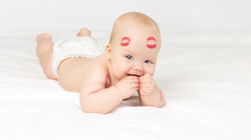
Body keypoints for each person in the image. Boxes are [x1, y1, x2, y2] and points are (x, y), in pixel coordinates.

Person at [36, 12, 164, 114]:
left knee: (88, 44)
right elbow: (88, 104)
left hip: (91, 50)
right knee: (48, 65)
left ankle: (85, 36)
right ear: (110, 52)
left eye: (148, 61)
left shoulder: (137, 73)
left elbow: (157, 102)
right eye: (129, 57)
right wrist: (119, 91)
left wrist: (149, 91)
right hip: (67, 56)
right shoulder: (99, 70)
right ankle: (44, 42)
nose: (138, 67)